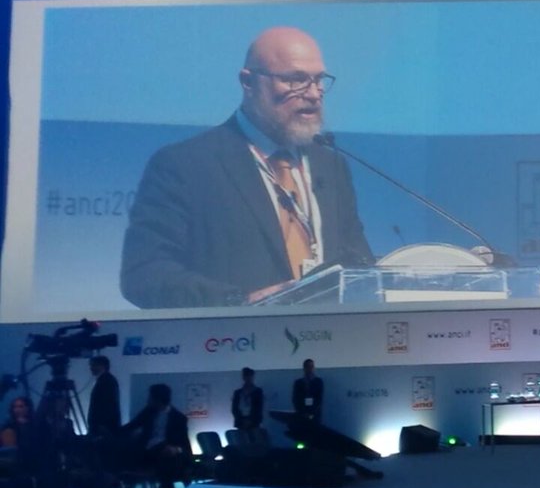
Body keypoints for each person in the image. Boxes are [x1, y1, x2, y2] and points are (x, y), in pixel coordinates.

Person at [120, 26, 375, 308]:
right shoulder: (186, 165)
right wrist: (238, 302)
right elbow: (144, 275)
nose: (314, 94)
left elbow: (358, 260)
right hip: (234, 333)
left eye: (319, 80)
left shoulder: (331, 165)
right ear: (248, 82)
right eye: (296, 80)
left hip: (327, 333)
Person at [122, 384, 192, 488]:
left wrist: (175, 449)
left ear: (157, 400)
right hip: (149, 452)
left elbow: (184, 443)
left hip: (166, 452)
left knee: (169, 457)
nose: (148, 400)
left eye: (150, 397)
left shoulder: (179, 418)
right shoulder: (148, 412)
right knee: (166, 458)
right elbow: (132, 425)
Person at [87, 355, 121, 437]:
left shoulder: (106, 381)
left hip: (104, 427)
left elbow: (107, 404)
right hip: (104, 426)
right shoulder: (106, 380)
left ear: (102, 366)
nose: (91, 368)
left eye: (93, 365)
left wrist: (102, 424)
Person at [292, 358, 324, 424]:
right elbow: (295, 399)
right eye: (308, 366)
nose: (310, 369)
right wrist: (302, 413)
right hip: (301, 414)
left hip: (315, 415)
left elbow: (319, 399)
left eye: (312, 366)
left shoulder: (318, 382)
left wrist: (312, 413)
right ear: (304, 368)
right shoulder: (298, 383)